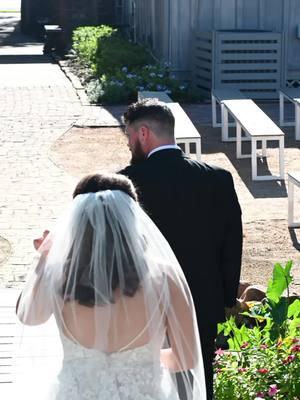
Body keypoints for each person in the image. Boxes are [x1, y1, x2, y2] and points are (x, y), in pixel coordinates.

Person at [14, 173, 206, 400]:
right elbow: (187, 358)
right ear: (131, 219)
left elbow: (28, 316)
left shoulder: (60, 276)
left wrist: (44, 258)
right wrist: (146, 359)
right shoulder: (165, 277)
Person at [119, 99, 243, 399]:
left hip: (145, 303)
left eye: (129, 137)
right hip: (203, 298)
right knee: (200, 380)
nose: (129, 145)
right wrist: (227, 298)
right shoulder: (218, 178)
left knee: (150, 380)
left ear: (144, 134)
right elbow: (232, 243)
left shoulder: (126, 182)